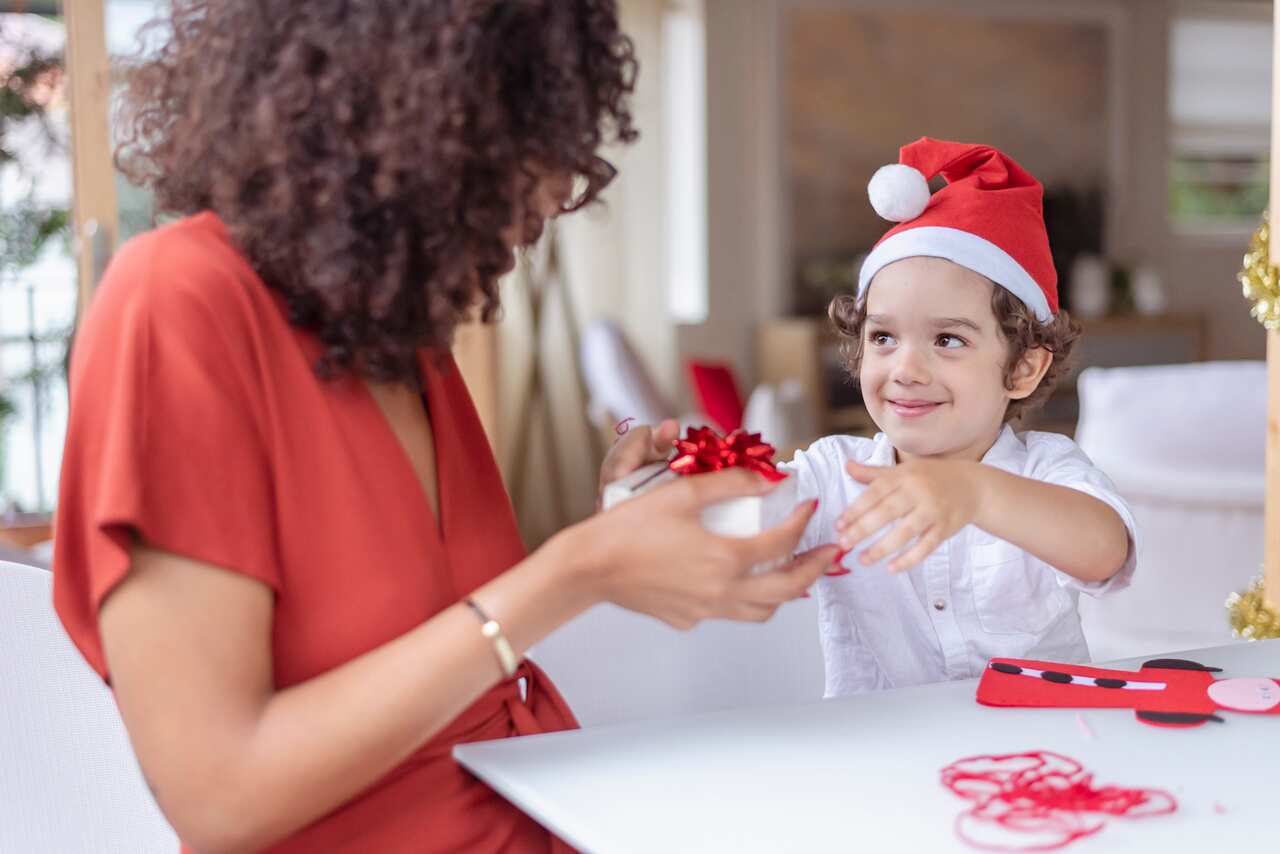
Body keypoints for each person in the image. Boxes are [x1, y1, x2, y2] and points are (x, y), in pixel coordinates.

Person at [50, 3, 834, 852]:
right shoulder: (179, 303)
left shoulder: (399, 337)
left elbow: (439, 631)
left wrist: (619, 526)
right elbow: (221, 797)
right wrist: (574, 571)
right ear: (397, 113)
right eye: (523, 136)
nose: (555, 192)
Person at [779, 138, 1139, 699]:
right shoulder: (833, 476)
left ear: (1021, 368)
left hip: (1043, 750)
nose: (906, 368)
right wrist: (673, 477)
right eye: (883, 337)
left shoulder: (1047, 468)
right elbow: (748, 514)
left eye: (947, 339)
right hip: (881, 759)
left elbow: (1105, 551)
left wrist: (976, 492)